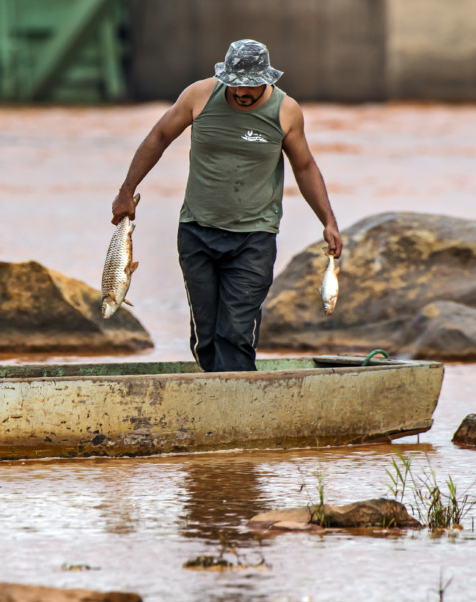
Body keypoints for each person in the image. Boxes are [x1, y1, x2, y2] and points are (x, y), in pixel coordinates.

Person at [110, 39, 341, 373]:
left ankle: (240, 408)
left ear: (268, 79)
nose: (242, 93)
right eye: (235, 86)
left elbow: (304, 167)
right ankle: (215, 403)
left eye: (251, 87)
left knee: (234, 331)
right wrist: (127, 190)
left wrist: (328, 221)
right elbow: (159, 137)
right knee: (206, 334)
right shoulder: (199, 96)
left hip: (254, 238)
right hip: (197, 232)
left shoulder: (285, 110)